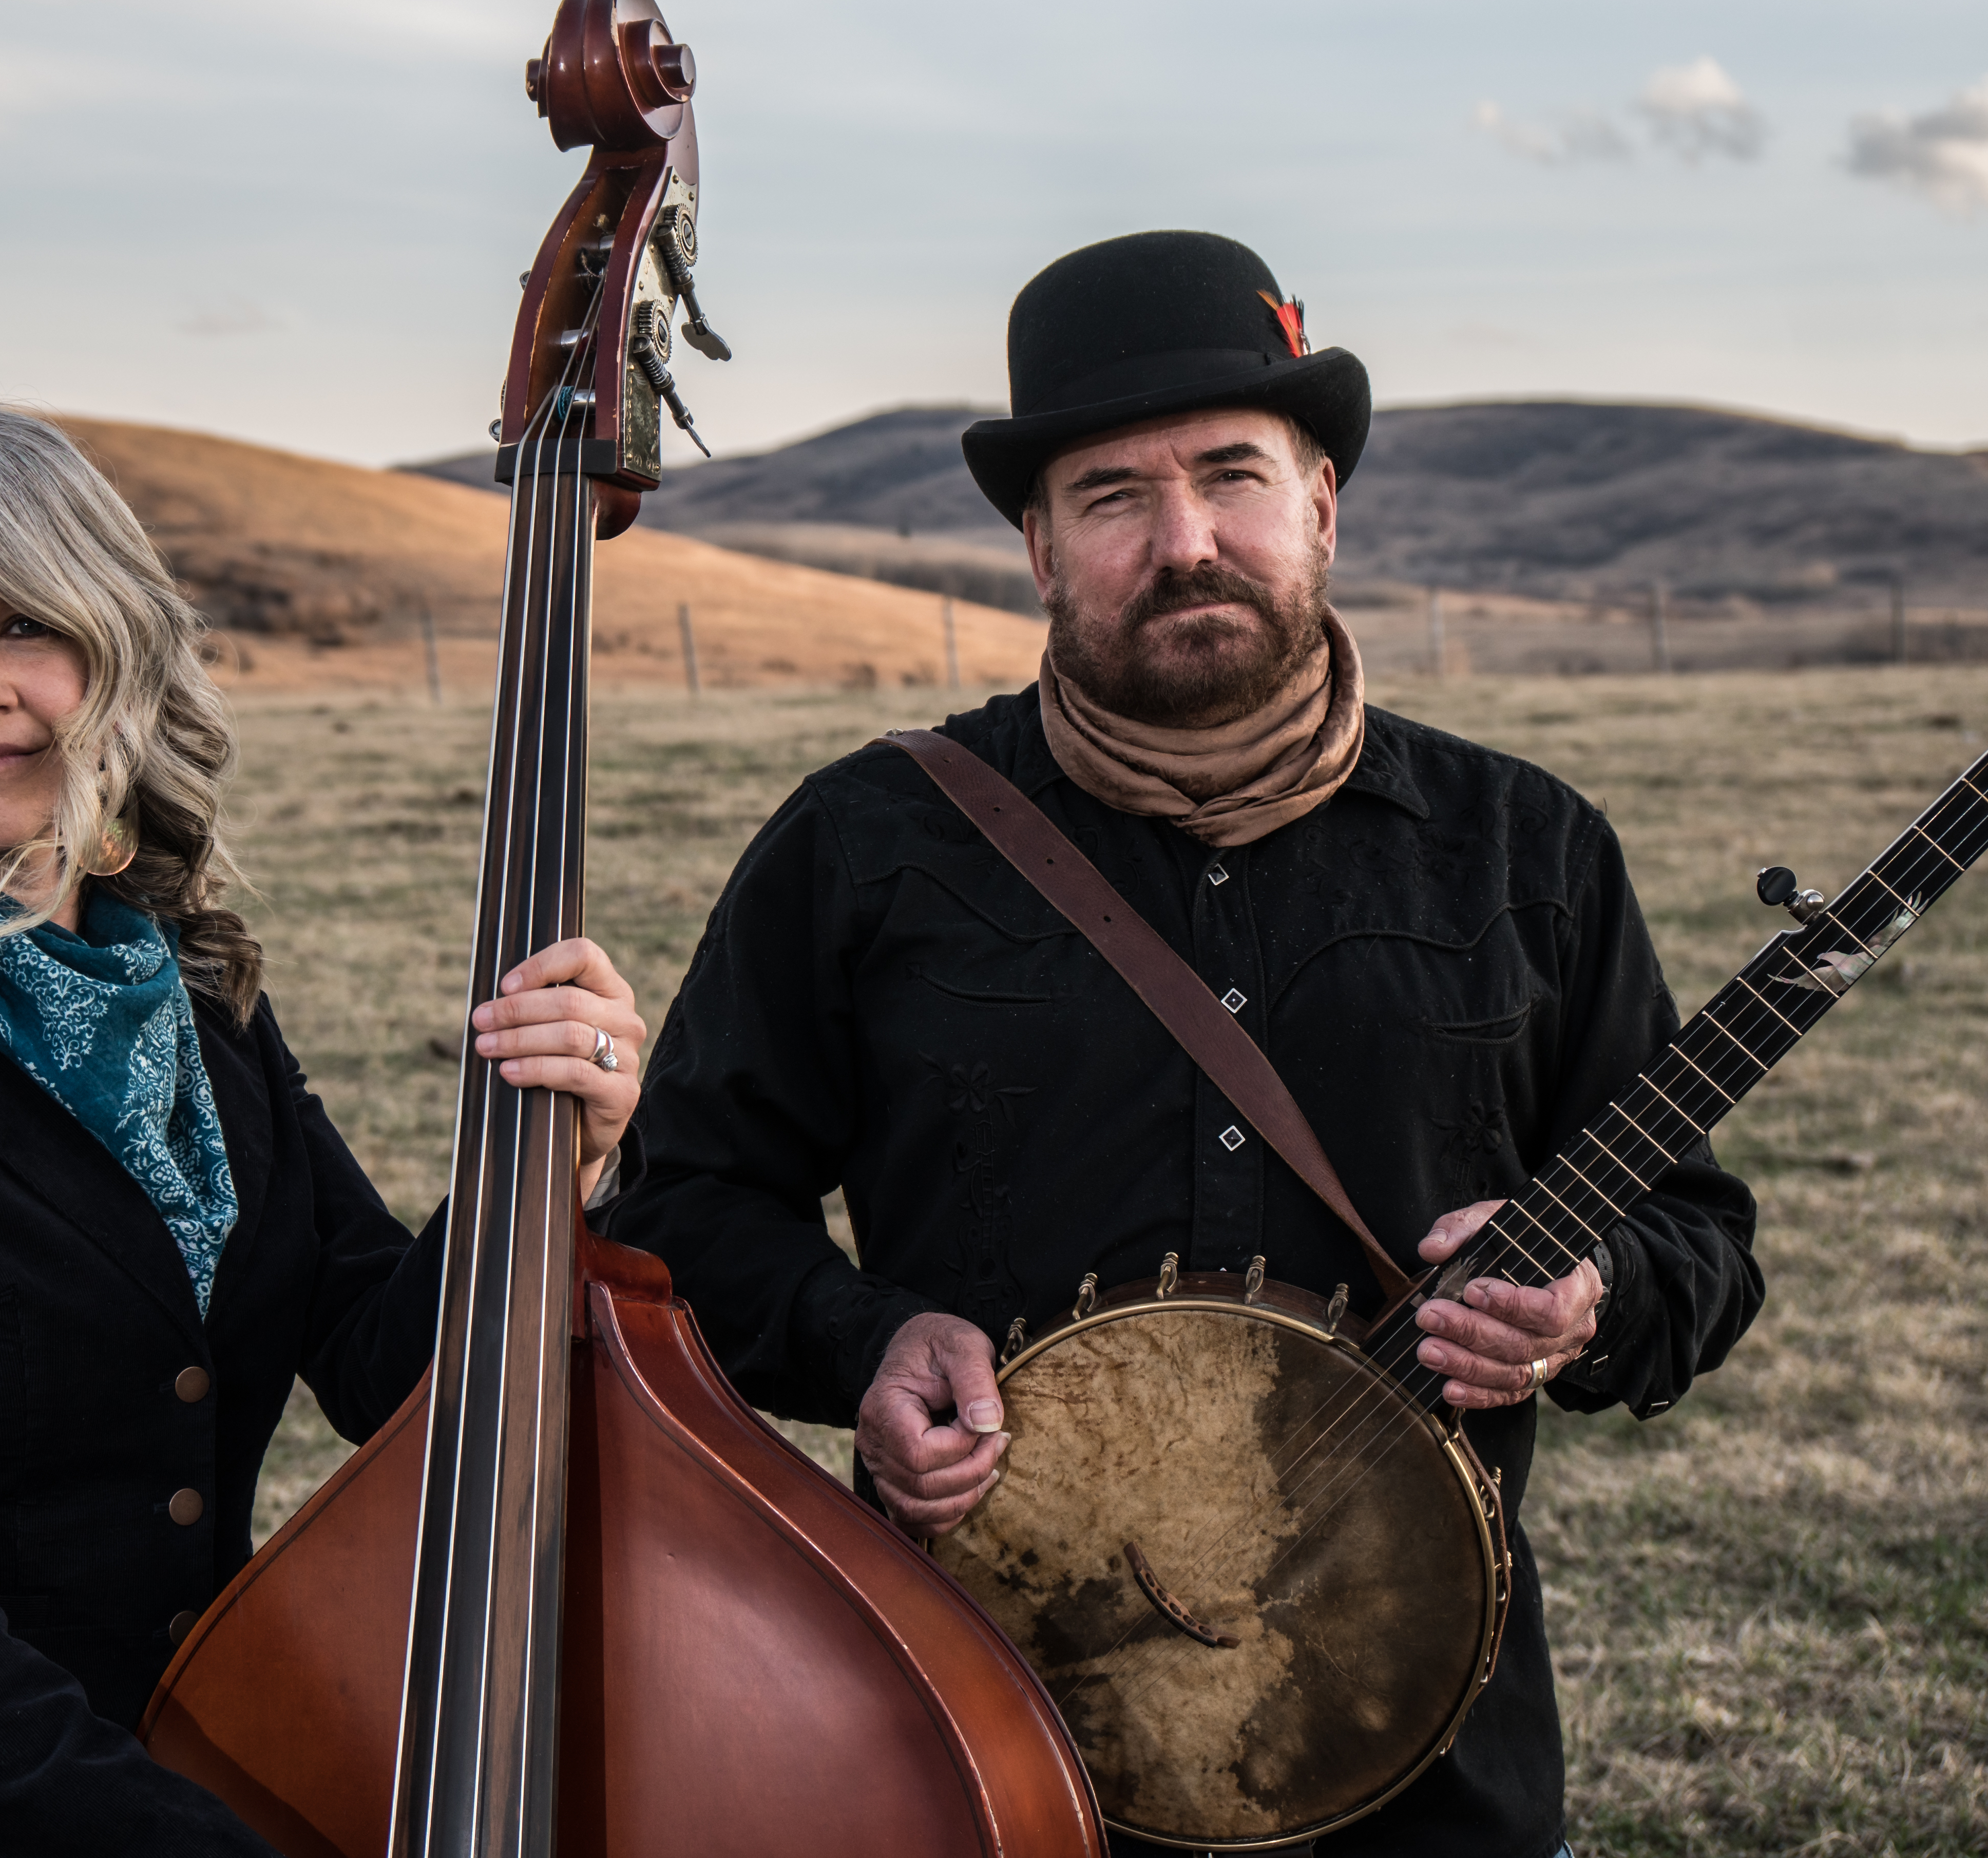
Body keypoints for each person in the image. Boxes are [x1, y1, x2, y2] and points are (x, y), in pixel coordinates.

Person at [602, 231, 1763, 1858]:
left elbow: (1696, 1239)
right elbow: (679, 1216)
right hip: (981, 1759)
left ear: (1323, 506)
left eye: (1234, 477)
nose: (1186, 542)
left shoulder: (1527, 851)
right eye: (1112, 497)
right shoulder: (867, 847)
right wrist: (866, 1341)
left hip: (1431, 1787)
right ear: (1038, 549)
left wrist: (1595, 1301)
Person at [0, 406, 646, 1855]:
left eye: (29, 623)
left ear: (115, 663)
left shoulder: (197, 1003)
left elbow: (383, 1363)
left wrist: (564, 1162)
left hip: (192, 1752)